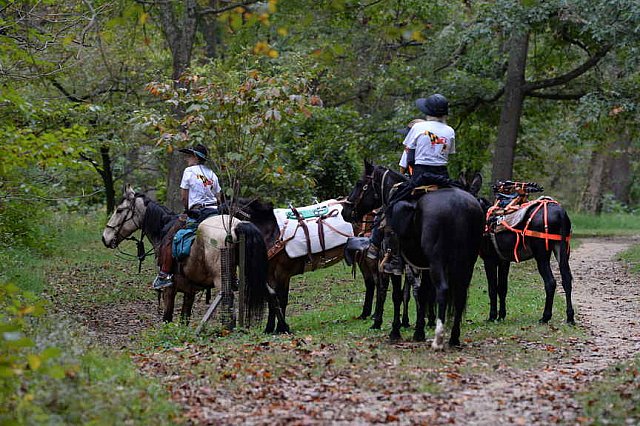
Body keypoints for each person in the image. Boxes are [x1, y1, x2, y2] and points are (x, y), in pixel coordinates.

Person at [368, 94, 455, 275]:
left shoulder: (419, 127)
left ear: (428, 112)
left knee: (392, 207)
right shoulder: (450, 131)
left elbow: (410, 156)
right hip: (443, 176)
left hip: (420, 177)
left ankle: (395, 257)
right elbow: (447, 154)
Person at [152, 143, 222, 289]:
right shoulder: (212, 174)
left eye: (189, 156)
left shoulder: (189, 171)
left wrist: (187, 209)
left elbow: (184, 196)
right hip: (214, 213)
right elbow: (219, 197)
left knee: (171, 236)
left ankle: (164, 274)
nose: (186, 159)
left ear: (196, 157)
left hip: (198, 213)